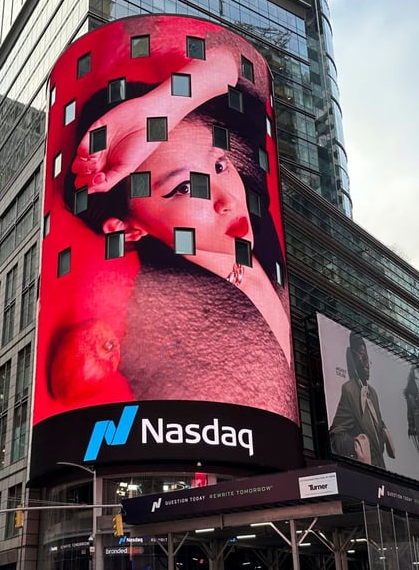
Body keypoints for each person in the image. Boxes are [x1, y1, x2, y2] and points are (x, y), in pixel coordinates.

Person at [45, 25, 296, 422]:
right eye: (182, 188)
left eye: (218, 165)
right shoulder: (157, 328)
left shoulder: (258, 207)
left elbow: (242, 66)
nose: (228, 200)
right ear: (129, 228)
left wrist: (160, 109)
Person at [329, 331, 395, 468]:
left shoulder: (373, 393)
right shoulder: (349, 390)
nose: (367, 365)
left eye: (368, 360)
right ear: (353, 358)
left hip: (381, 469)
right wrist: (357, 444)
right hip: (364, 471)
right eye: (362, 359)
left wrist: (384, 433)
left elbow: (378, 426)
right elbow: (336, 435)